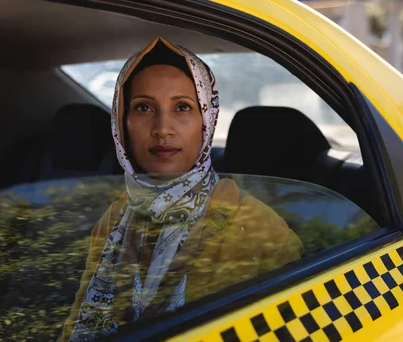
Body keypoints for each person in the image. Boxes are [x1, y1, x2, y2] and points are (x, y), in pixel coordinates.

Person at [61, 36, 303, 341]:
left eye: (183, 107)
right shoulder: (112, 220)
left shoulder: (264, 233)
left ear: (206, 120)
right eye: (144, 107)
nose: (162, 128)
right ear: (122, 123)